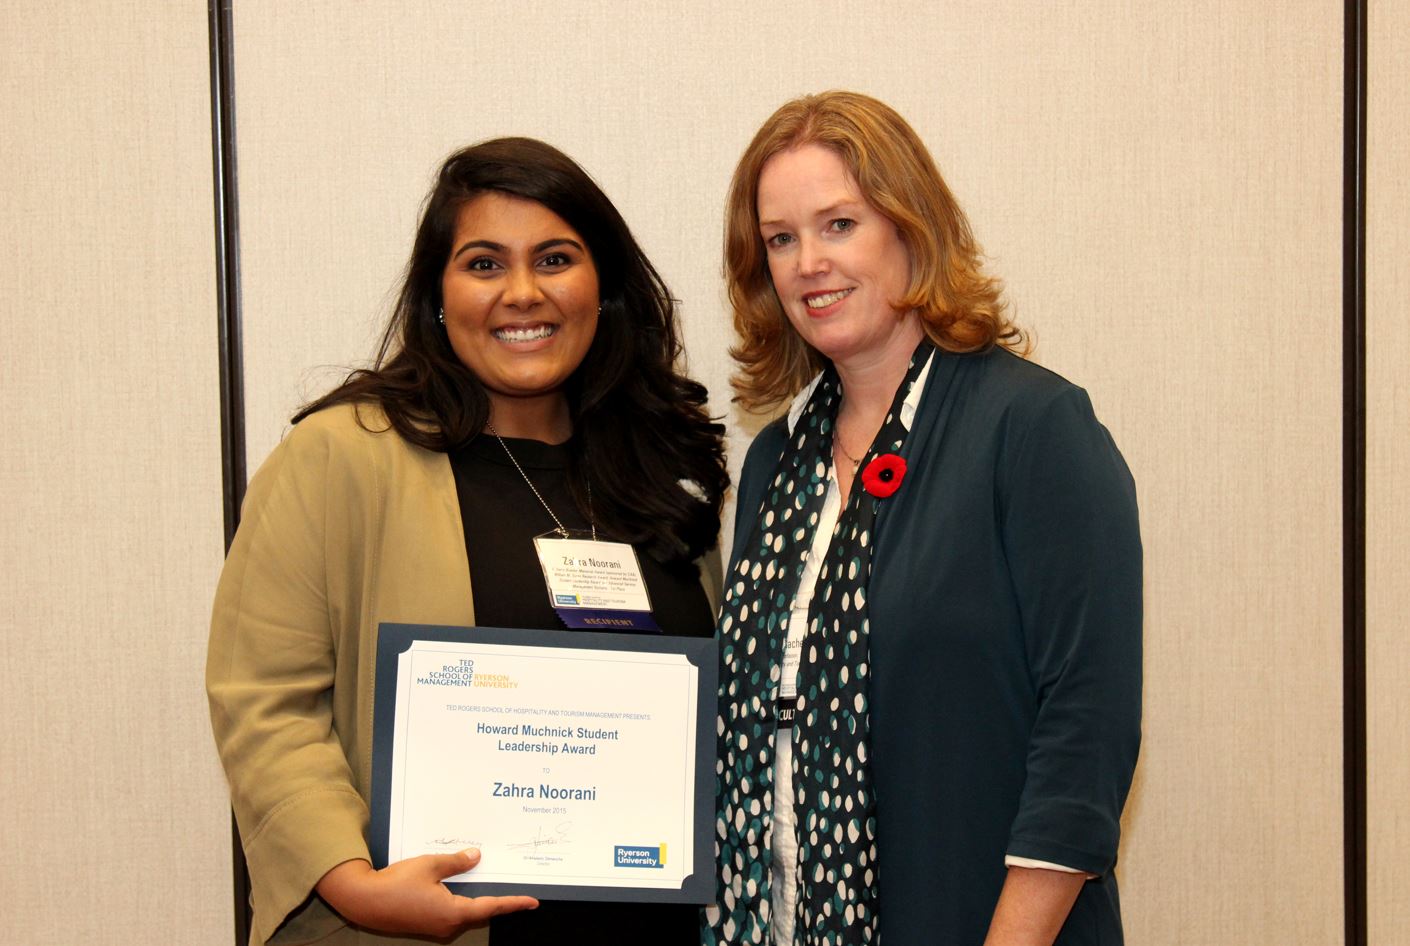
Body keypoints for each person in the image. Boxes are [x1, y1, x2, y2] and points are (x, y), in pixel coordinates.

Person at [207, 137, 728, 946]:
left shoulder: (661, 472)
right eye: (485, 264)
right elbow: (263, 703)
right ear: (439, 295)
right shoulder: (340, 457)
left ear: (605, 290)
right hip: (411, 929)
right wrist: (356, 885)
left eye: (555, 258)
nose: (522, 293)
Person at [704, 91, 1142, 946]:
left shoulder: (1032, 428)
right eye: (781, 239)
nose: (807, 264)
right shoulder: (774, 461)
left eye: (839, 225)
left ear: (912, 228)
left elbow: (1086, 728)